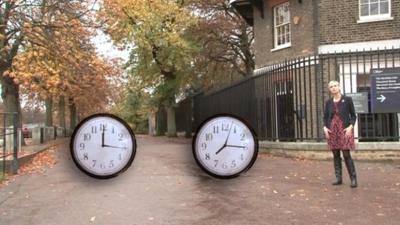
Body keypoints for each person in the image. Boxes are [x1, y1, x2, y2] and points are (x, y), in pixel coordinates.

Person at [323, 80, 358, 188]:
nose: (333, 88)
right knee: (336, 154)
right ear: (329, 89)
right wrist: (325, 127)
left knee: (346, 154)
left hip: (344, 129)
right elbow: (325, 117)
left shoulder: (347, 100)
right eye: (331, 86)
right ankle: (338, 178)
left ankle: (353, 179)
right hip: (332, 130)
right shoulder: (328, 102)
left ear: (339, 87)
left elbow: (353, 115)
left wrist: (350, 127)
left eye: (335, 86)